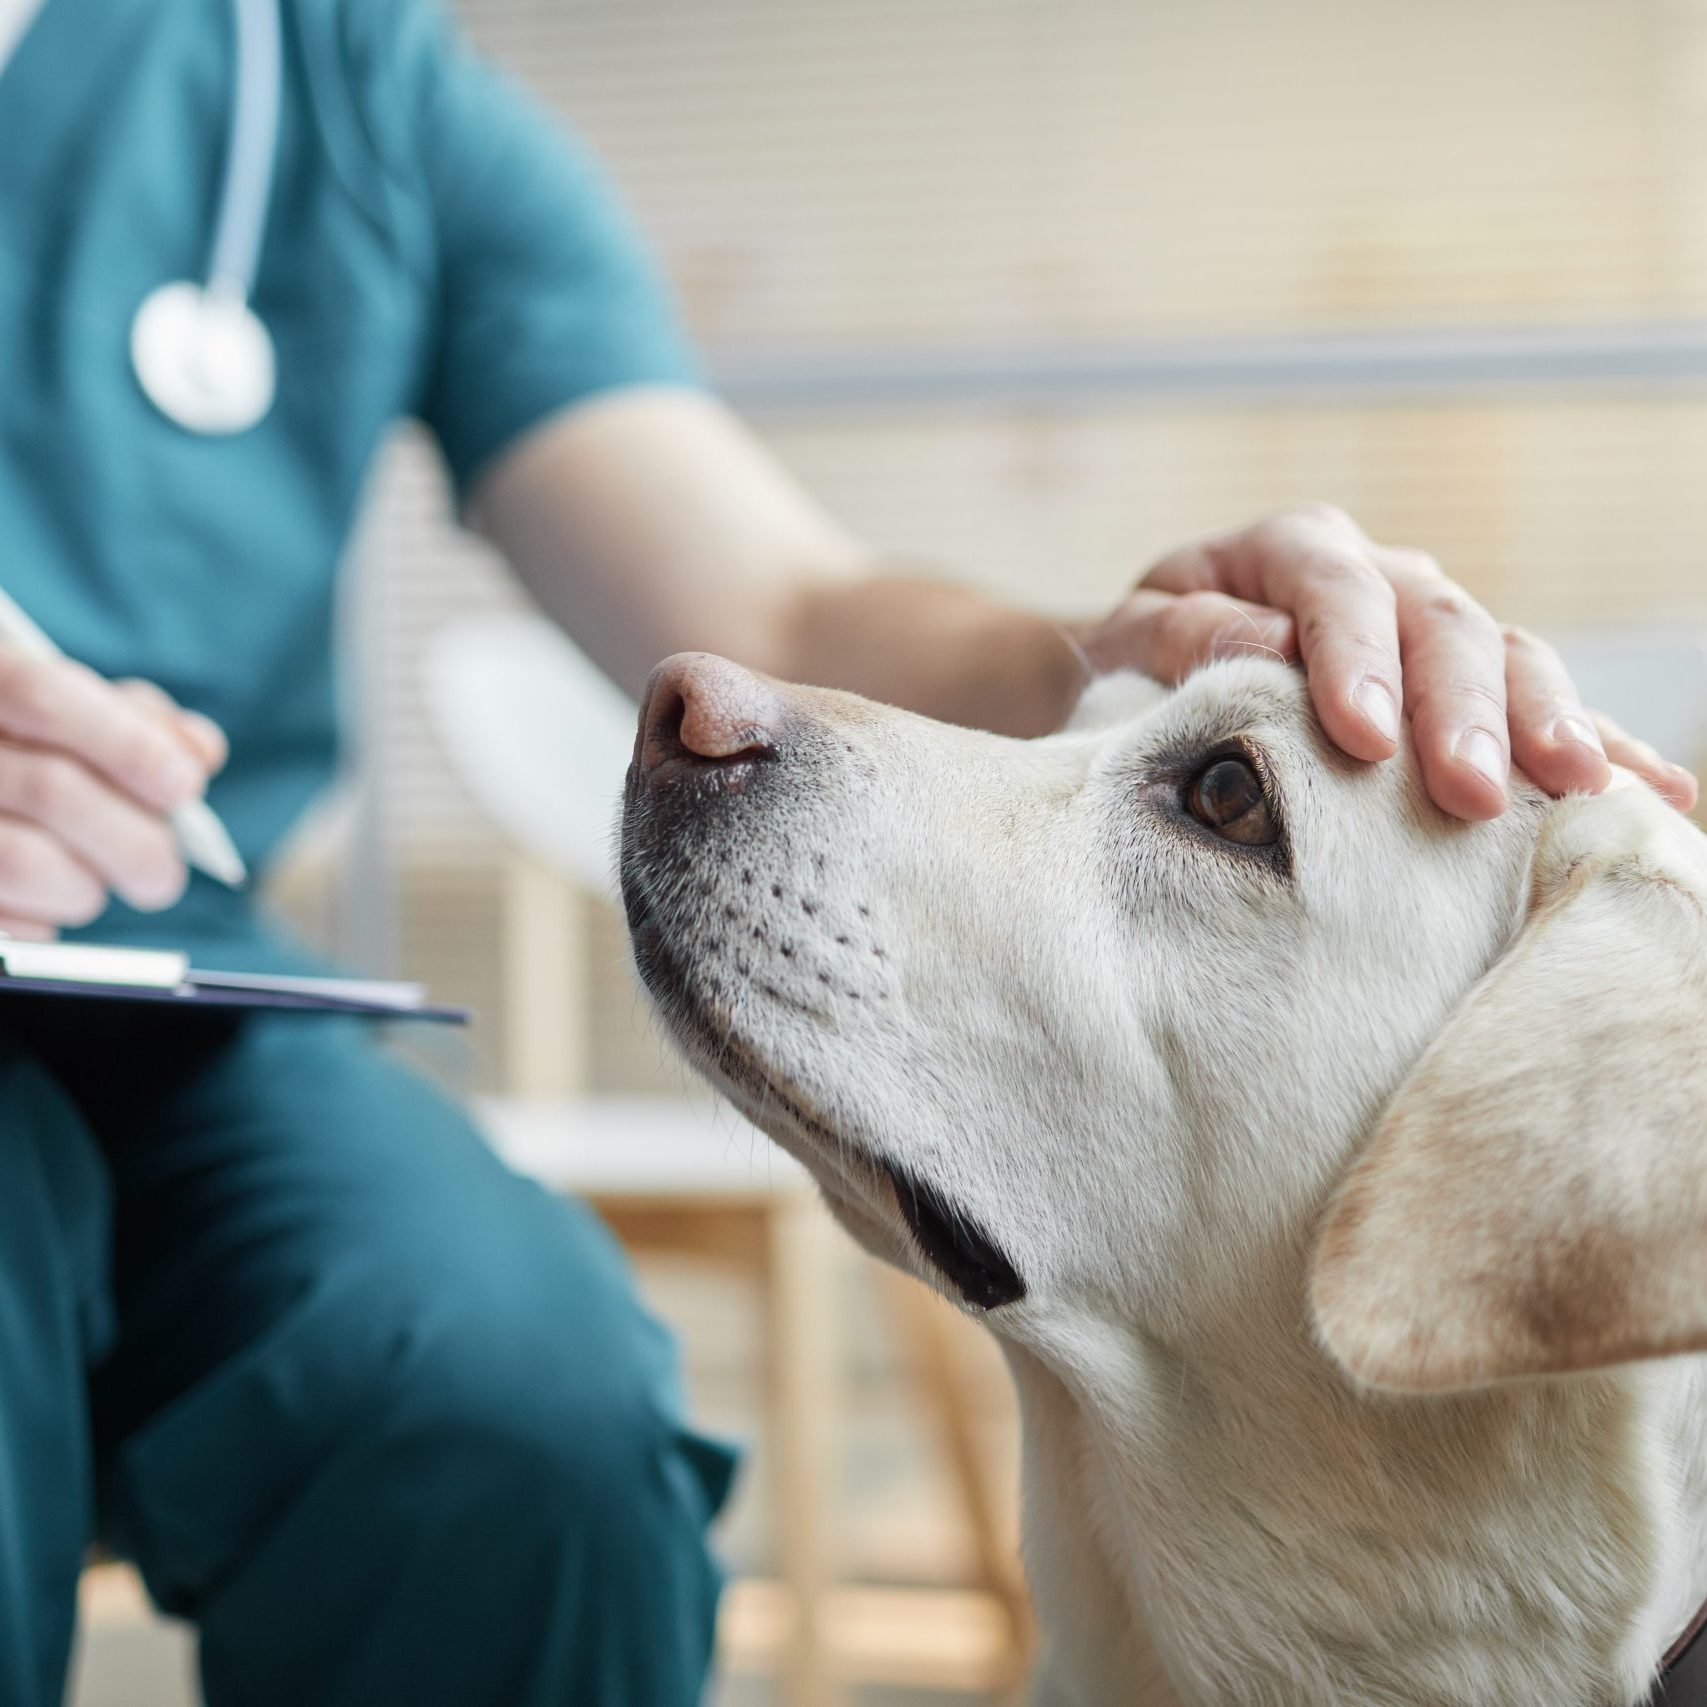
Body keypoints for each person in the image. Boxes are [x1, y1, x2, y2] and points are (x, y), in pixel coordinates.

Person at [0, 2, 1692, 1706]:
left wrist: (1139, 638)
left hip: (179, 1007)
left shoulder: (337, 81)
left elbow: (783, 609)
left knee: (527, 1412)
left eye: (1225, 812)